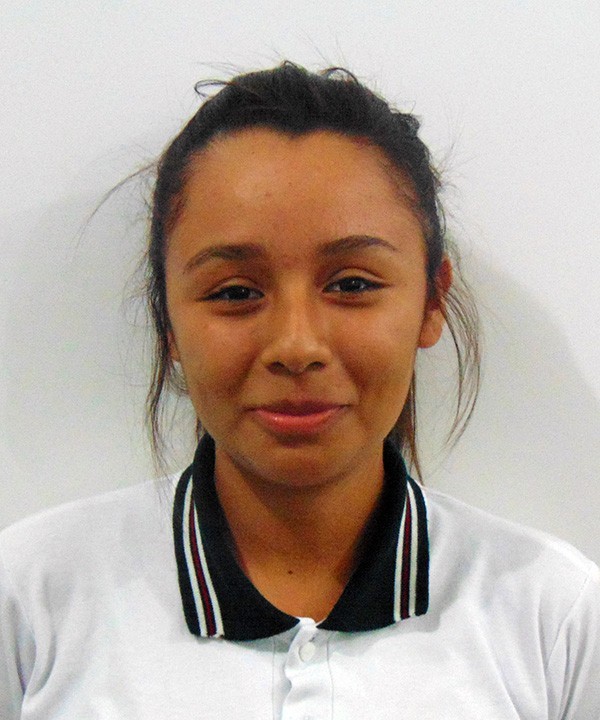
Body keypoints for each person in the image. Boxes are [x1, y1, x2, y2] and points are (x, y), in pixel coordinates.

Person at [1, 62, 598, 719]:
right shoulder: (31, 597)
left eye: (352, 284)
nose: (296, 346)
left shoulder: (555, 616)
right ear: (168, 320)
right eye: (235, 292)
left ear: (432, 300)